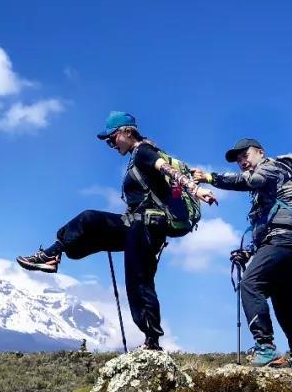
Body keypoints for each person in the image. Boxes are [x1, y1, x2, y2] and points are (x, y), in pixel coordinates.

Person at [17, 111, 217, 351]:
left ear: (126, 132)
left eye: (112, 138)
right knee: (88, 223)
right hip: (135, 224)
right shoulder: (137, 156)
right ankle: (54, 255)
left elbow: (167, 170)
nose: (111, 144)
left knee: (139, 282)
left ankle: (152, 341)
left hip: (146, 226)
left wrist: (196, 190)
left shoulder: (144, 152)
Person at [192, 138, 292, 379]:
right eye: (238, 160)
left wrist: (210, 178)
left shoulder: (271, 167)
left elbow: (250, 181)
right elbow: (264, 224)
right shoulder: (271, 182)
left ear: (260, 152)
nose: (242, 162)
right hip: (290, 244)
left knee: (250, 284)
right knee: (287, 302)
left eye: (245, 155)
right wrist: (248, 252)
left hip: (282, 241)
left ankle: (265, 348)